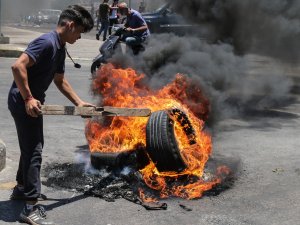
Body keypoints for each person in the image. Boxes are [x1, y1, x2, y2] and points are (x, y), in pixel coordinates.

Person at [8, 5, 94, 225]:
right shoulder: (47, 42)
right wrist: (28, 98)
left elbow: (59, 80)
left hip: (33, 103)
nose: (79, 37)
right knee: (34, 150)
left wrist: (80, 103)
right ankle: (30, 206)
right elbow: (18, 66)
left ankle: (21, 188)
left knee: (32, 146)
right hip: (23, 102)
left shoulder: (60, 47)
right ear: (70, 25)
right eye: (79, 32)